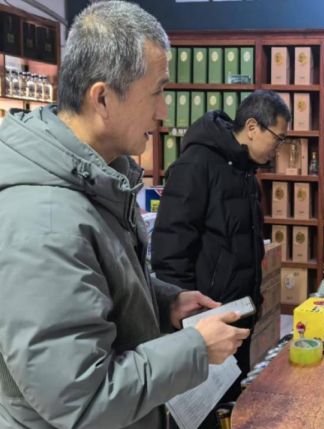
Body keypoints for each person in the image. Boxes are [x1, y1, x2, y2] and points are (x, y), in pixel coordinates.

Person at [0, 2, 249, 428]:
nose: (163, 111)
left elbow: (94, 287)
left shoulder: (98, 178)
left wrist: (162, 302)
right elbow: (83, 400)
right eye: (157, 92)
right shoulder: (45, 225)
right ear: (102, 98)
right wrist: (194, 349)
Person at [150, 91, 290, 413]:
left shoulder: (245, 171)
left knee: (231, 404)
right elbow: (170, 252)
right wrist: (190, 325)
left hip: (237, 314)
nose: (278, 148)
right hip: (205, 323)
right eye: (278, 138)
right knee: (202, 411)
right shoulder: (196, 165)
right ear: (252, 127)